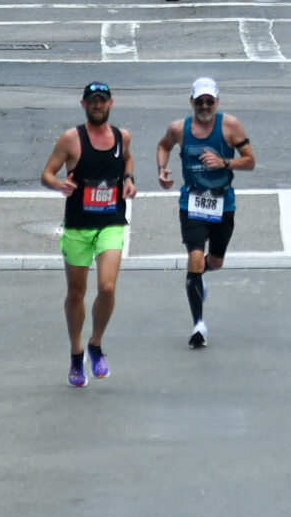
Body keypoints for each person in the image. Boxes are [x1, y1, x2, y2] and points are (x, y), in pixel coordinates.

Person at [42, 82, 135, 386]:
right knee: (76, 293)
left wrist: (130, 179)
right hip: (79, 227)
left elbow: (128, 159)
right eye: (93, 101)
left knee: (107, 288)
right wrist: (60, 185)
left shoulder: (122, 137)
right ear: (83, 104)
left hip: (111, 223)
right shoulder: (71, 139)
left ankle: (95, 343)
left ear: (111, 103)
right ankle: (76, 351)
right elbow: (46, 174)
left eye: (103, 101)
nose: (98, 106)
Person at [156, 77, 255, 347]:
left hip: (223, 202)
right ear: (191, 102)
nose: (204, 106)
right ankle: (198, 325)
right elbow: (163, 146)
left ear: (217, 102)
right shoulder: (178, 129)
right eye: (199, 101)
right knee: (196, 257)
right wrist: (161, 170)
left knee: (216, 262)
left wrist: (224, 162)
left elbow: (250, 161)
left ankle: (197, 279)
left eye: (209, 101)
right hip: (192, 202)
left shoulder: (230, 126)